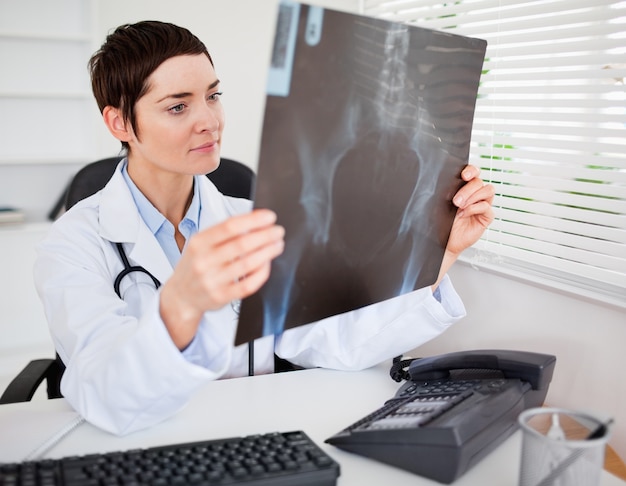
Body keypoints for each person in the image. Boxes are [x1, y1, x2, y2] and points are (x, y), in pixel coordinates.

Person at [34, 20, 495, 435]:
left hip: (251, 434)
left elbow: (333, 341)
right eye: (177, 107)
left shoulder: (251, 219)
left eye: (213, 96)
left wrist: (442, 251)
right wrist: (180, 304)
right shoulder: (74, 243)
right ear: (119, 122)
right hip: (141, 446)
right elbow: (101, 390)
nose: (209, 122)